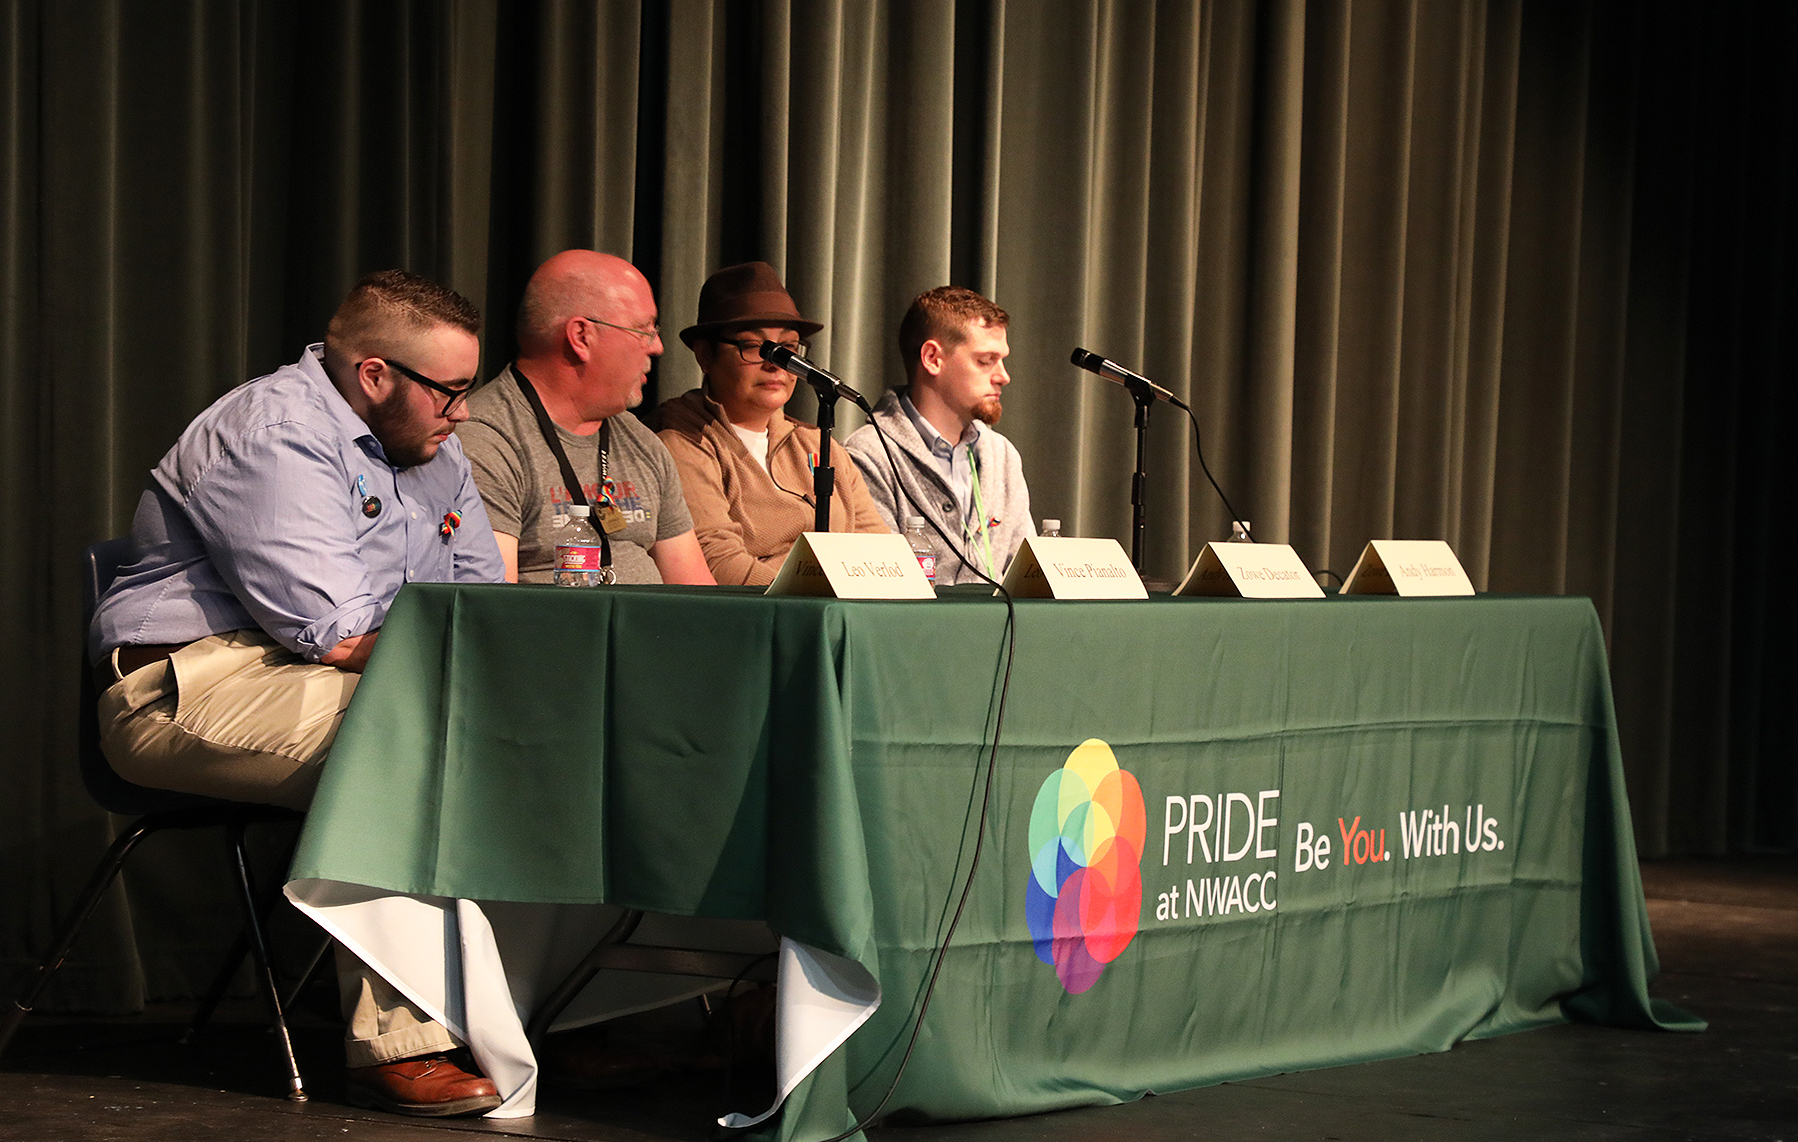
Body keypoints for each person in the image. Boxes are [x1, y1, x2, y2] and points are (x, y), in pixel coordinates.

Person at [88, 270, 508, 1117]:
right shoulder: (273, 432)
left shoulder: (434, 449)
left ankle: (525, 1012)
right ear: (376, 375)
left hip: (334, 674)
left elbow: (479, 600)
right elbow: (342, 632)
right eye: (451, 392)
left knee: (521, 734)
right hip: (189, 682)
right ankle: (399, 1040)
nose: (462, 412)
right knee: (400, 740)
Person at [457, 250, 714, 585]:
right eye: (644, 330)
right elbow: (493, 610)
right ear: (581, 337)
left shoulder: (642, 443)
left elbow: (696, 593)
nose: (657, 347)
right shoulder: (486, 440)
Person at [655, 261, 887, 585]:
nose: (775, 365)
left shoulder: (818, 444)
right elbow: (719, 565)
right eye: (754, 346)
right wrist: (821, 599)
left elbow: (881, 554)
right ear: (705, 356)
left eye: (787, 349)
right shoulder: (681, 443)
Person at [844, 286, 1034, 584]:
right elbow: (880, 585)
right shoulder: (868, 455)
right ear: (932, 358)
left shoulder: (1002, 455)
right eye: (986, 361)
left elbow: (1026, 577)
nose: (1003, 376)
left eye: (1002, 360)